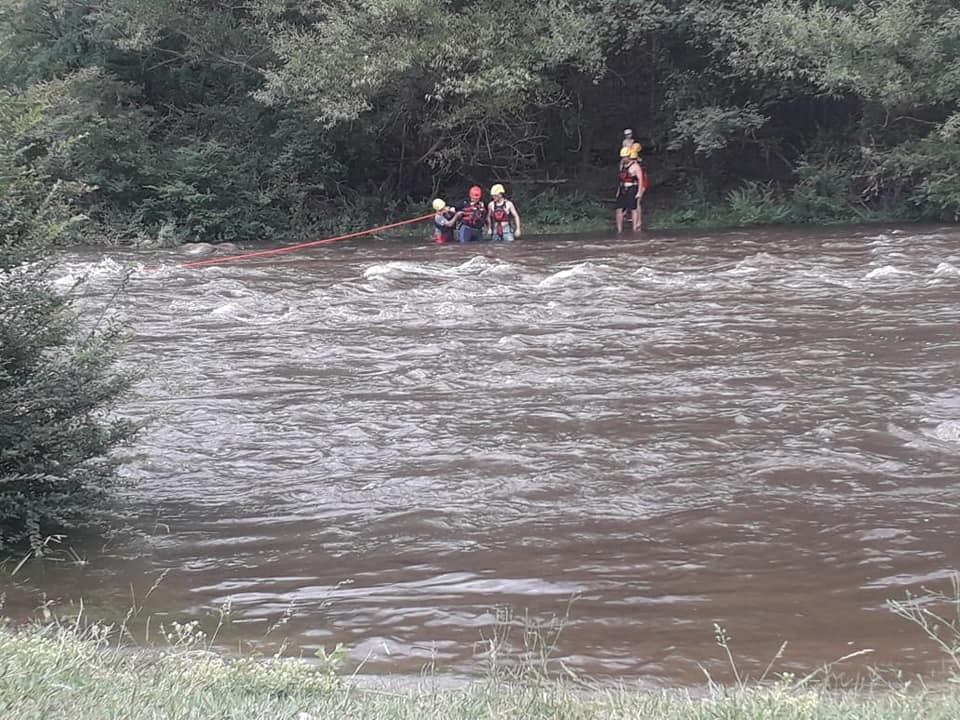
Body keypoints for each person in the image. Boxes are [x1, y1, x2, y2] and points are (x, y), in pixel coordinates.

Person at [615, 146, 645, 234]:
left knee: (633, 208)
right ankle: (619, 230)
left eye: (625, 157)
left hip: (632, 188)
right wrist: (618, 190)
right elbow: (620, 179)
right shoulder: (622, 165)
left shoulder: (636, 166)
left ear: (629, 156)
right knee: (618, 209)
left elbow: (640, 180)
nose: (624, 159)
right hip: (623, 188)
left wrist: (639, 192)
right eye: (622, 157)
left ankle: (634, 228)